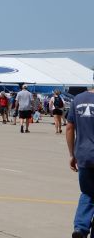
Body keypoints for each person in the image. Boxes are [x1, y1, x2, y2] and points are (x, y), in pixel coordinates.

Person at [66, 86, 94, 238]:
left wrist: (72, 154)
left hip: (83, 155)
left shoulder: (78, 99)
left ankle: (80, 228)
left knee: (87, 193)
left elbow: (70, 127)